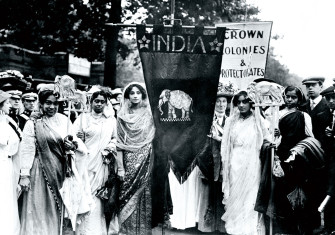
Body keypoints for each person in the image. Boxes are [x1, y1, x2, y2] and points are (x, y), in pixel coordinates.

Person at [18, 90, 89, 235]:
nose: (52, 107)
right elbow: (27, 149)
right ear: (41, 104)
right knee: (39, 208)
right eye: (48, 103)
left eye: (55, 103)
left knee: (58, 209)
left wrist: (72, 146)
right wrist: (24, 175)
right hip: (40, 171)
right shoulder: (33, 123)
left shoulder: (64, 120)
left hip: (61, 170)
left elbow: (76, 141)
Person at [271, 86, 321, 234]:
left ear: (299, 99)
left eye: (293, 97)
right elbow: (275, 138)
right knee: (281, 193)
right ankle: (284, 228)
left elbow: (309, 138)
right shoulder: (278, 114)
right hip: (281, 156)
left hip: (297, 160)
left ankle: (299, 229)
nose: (290, 99)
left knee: (297, 195)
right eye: (287, 96)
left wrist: (297, 151)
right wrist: (276, 133)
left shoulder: (303, 116)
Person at [221, 90, 270, 234]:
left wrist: (272, 140)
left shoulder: (258, 120)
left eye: (245, 102)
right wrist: (225, 165)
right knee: (235, 196)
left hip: (252, 163)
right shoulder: (231, 121)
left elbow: (267, 139)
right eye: (238, 102)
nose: (241, 105)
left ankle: (249, 230)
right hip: (235, 162)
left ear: (251, 103)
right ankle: (235, 229)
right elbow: (225, 145)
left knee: (250, 196)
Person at [110, 82, 155, 235]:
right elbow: (120, 144)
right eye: (132, 93)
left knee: (143, 195)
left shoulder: (150, 114)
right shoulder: (122, 116)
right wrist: (121, 168)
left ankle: (142, 231)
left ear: (143, 95)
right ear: (127, 96)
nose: (135, 95)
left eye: (138, 93)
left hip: (146, 159)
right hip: (128, 161)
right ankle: (126, 230)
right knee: (125, 195)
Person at [73, 90, 118, 235]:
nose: (99, 104)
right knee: (84, 192)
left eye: (102, 101)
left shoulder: (110, 120)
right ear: (91, 102)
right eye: (96, 101)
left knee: (98, 195)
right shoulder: (82, 118)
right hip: (85, 161)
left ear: (106, 103)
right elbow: (71, 138)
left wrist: (109, 149)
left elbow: (116, 139)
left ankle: (97, 230)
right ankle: (82, 230)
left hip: (102, 162)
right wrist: (79, 139)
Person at [196, 82, 235, 233]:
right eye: (218, 101)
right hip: (209, 161)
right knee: (208, 194)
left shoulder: (231, 120)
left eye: (224, 101)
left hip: (226, 162)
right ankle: (208, 226)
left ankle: (222, 226)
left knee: (224, 193)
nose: (220, 104)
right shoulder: (206, 121)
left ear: (228, 104)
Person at [0, 90, 20, 234]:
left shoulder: (6, 120)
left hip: (7, 165)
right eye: (7, 103)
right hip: (2, 164)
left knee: (8, 199)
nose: (10, 105)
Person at [319, 84, 335, 233]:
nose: (331, 101)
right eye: (328, 98)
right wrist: (329, 136)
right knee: (329, 190)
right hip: (331, 159)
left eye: (333, 98)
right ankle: (329, 227)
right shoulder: (330, 115)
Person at [301, 77, 332, 147]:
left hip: (323, 148)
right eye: (308, 86)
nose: (310, 88)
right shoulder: (302, 106)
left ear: (321, 87)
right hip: (305, 147)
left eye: (313, 85)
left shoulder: (328, 106)